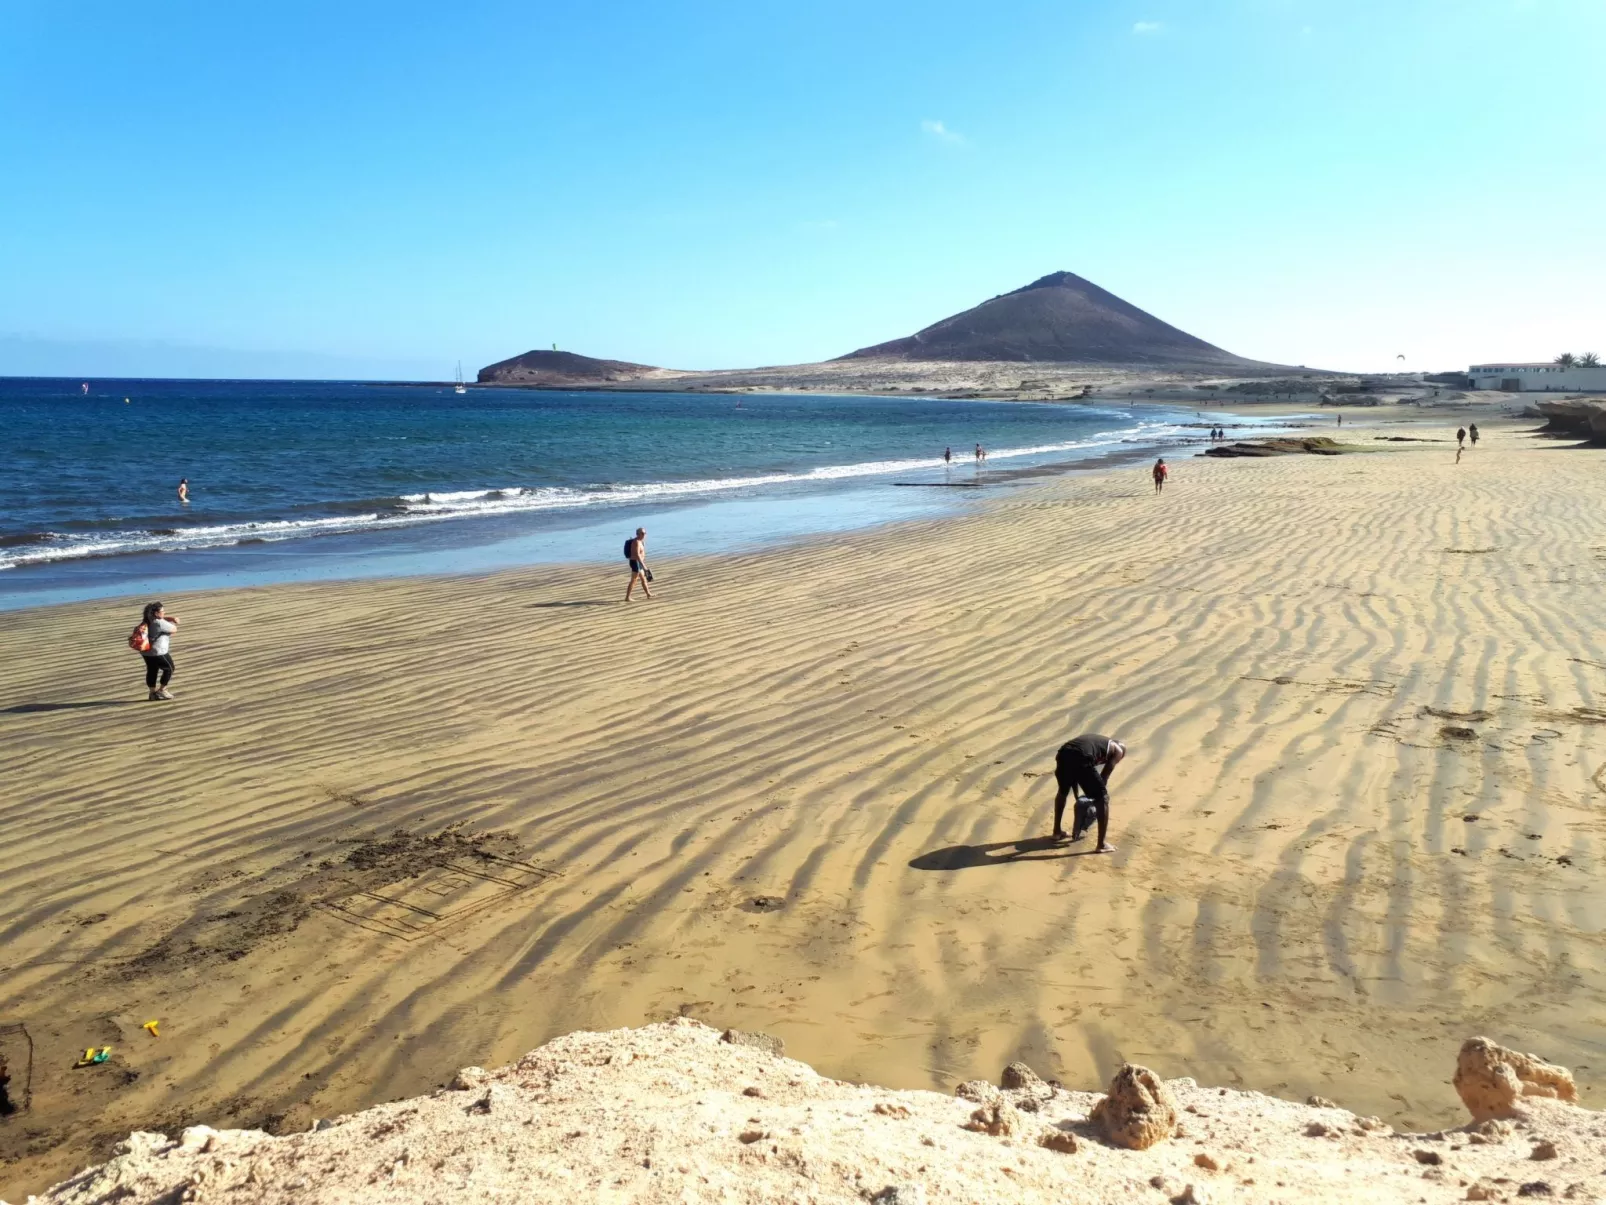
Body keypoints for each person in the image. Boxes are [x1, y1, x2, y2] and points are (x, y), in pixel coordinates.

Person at [1051, 733, 1126, 852]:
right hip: (1081, 756)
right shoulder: (1118, 751)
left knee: (1063, 791)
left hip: (1063, 753)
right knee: (1103, 798)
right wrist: (1094, 799)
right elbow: (1104, 777)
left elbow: (1076, 774)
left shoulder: (1098, 743)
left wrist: (1081, 799)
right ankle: (1101, 845)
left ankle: (1056, 832)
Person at [140, 601, 179, 700]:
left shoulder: (147, 619)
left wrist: (170, 618)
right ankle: (162, 689)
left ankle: (152, 693)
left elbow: (162, 620)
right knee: (170, 668)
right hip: (158, 651)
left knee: (152, 670)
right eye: (163, 611)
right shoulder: (159, 623)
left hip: (146, 651)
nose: (164, 612)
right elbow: (174, 629)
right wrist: (175, 621)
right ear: (156, 613)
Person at [624, 527, 652, 601]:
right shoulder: (636, 542)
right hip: (635, 562)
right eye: (642, 533)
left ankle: (648, 594)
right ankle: (627, 597)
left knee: (643, 579)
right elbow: (637, 555)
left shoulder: (641, 541)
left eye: (645, 533)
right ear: (637, 534)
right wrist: (644, 565)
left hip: (638, 562)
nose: (644, 534)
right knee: (634, 580)